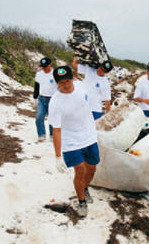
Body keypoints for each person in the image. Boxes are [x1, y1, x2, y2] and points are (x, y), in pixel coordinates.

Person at [48, 65, 100, 217]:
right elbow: (56, 130)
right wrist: (58, 156)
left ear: (73, 78)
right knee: (80, 169)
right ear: (57, 83)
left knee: (92, 168)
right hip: (70, 140)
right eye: (61, 83)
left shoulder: (81, 87)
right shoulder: (55, 102)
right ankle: (81, 201)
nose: (65, 85)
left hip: (89, 135)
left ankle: (84, 188)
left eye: (67, 81)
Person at [33, 57, 57, 142]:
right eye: (42, 66)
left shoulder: (55, 73)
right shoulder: (39, 74)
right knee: (39, 117)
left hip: (53, 99)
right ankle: (41, 135)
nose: (44, 68)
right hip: (41, 98)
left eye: (45, 66)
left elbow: (60, 86)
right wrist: (35, 98)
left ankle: (52, 136)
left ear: (50, 65)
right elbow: (37, 86)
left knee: (52, 118)